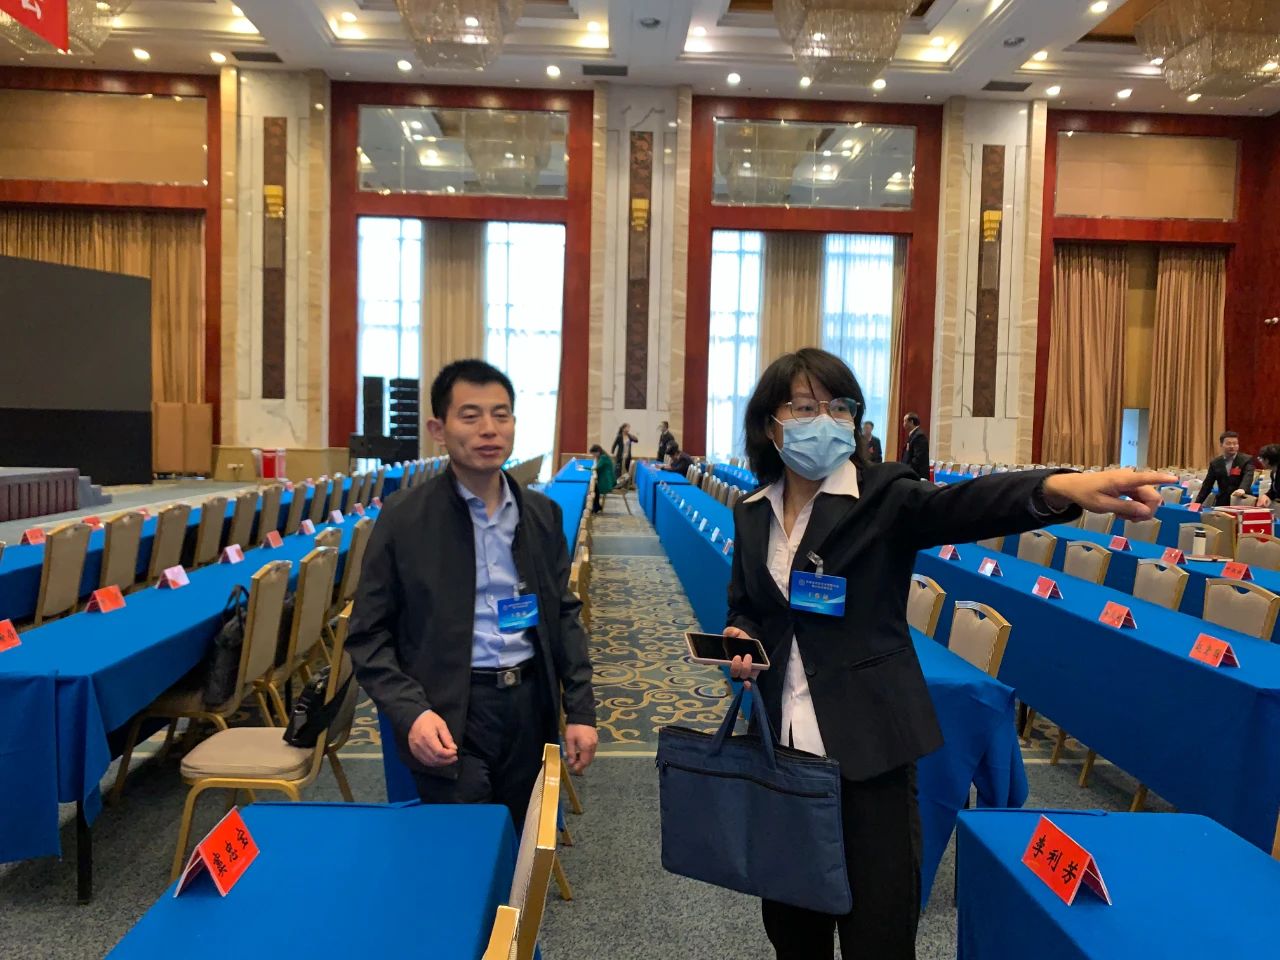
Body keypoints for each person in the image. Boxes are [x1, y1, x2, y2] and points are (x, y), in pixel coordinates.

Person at [720, 347, 1171, 959]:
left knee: (879, 934)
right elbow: (747, 605)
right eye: (804, 407)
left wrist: (1059, 487)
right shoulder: (752, 514)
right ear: (771, 425)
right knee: (794, 932)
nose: (824, 420)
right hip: (781, 748)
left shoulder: (884, 496)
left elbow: (967, 505)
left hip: (871, 747)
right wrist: (741, 636)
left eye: (839, 407)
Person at [346, 359, 598, 828]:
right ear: (438, 430)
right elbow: (367, 635)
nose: (489, 429)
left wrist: (580, 709)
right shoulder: (405, 519)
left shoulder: (540, 515)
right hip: (448, 710)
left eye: (501, 415)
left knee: (522, 839)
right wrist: (411, 712)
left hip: (529, 707)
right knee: (464, 848)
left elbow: (563, 616)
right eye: (470, 415)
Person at [1195, 430, 1254, 506]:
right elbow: (1207, 485)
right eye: (1228, 443)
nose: (1232, 446)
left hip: (1242, 500)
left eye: (1235, 443)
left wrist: (1242, 489)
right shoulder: (1215, 463)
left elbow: (1248, 476)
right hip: (1222, 502)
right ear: (1221, 444)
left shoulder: (1246, 459)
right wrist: (1196, 503)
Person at [901, 411, 929, 480]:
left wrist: (907, 470)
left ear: (911, 422)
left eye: (905, 421)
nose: (903, 424)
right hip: (911, 473)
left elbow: (918, 458)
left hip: (917, 475)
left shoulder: (919, 436)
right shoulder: (913, 435)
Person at [590, 443, 616, 514]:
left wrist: (585, 468)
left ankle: (596, 507)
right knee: (595, 487)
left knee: (594, 488)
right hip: (608, 479)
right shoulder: (603, 456)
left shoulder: (603, 457)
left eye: (594, 454)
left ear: (598, 452)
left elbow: (596, 468)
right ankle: (597, 506)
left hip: (608, 482)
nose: (593, 456)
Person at [1257, 443, 1279, 510]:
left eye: (1261, 458)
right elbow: (1273, 491)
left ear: (1267, 460)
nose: (1259, 460)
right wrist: (1266, 495)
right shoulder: (1273, 471)